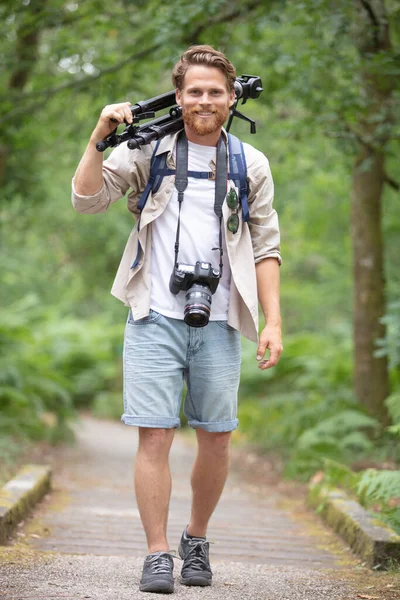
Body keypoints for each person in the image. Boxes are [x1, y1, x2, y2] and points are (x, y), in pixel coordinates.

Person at [72, 44, 282, 594]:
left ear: (232, 98)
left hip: (220, 319)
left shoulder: (249, 163)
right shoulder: (150, 150)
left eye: (216, 91)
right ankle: (158, 553)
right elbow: (87, 200)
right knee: (155, 438)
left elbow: (266, 248)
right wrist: (101, 133)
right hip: (153, 315)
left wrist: (274, 321)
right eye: (195, 91)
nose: (205, 100)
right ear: (180, 97)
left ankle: (196, 537)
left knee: (217, 438)